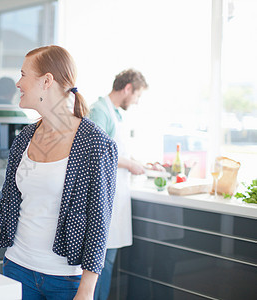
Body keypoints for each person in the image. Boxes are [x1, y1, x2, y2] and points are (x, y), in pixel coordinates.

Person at [0, 45, 118, 300]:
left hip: (66, 279)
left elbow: (98, 223)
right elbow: (8, 203)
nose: (18, 82)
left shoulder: (96, 144)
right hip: (17, 269)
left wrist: (87, 291)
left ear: (47, 81)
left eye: (24, 74)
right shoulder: (25, 137)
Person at [89, 69, 148, 299]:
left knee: (107, 261)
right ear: (128, 88)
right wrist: (130, 165)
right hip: (104, 197)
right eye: (137, 96)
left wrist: (134, 162)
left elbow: (116, 151)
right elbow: (98, 152)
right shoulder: (99, 111)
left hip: (116, 197)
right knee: (99, 264)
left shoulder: (115, 113)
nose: (136, 101)